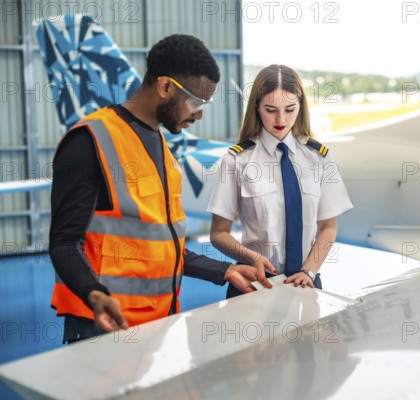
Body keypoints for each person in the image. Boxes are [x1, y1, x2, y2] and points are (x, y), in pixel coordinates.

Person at [49, 34, 269, 343]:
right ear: (165, 87)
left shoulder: (164, 153)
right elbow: (64, 243)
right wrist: (95, 295)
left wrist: (226, 271)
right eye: (196, 102)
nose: (199, 114)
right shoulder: (90, 139)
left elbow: (164, 247)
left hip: (156, 325)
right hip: (101, 322)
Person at [207, 64, 353, 297]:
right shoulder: (237, 160)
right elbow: (218, 234)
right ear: (256, 107)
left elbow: (328, 226)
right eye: (270, 109)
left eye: (289, 109)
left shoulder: (319, 157)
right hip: (256, 285)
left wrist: (309, 272)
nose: (280, 119)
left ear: (301, 106)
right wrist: (251, 257)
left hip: (306, 283)